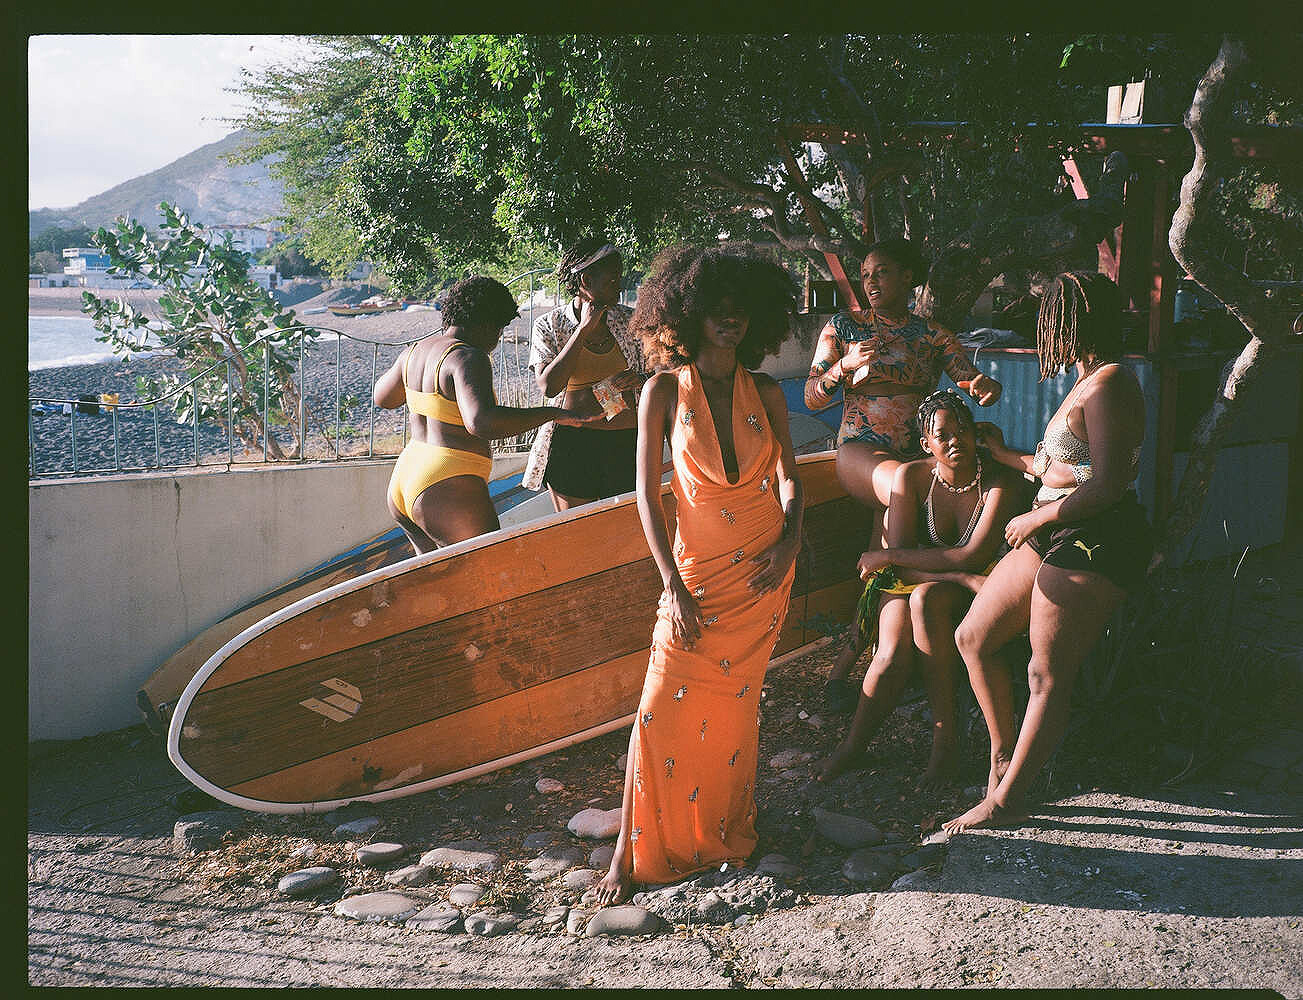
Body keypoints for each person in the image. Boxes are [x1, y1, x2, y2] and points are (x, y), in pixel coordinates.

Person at [588, 243, 803, 905]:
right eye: (718, 310)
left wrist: (791, 539)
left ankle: (718, 835)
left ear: (757, 319)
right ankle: (629, 856)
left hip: (763, 574)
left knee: (733, 717)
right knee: (658, 712)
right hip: (695, 577)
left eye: (742, 312)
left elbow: (789, 479)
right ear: (691, 314)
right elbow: (646, 497)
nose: (730, 322)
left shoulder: (764, 390)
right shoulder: (659, 391)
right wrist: (672, 588)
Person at [943, 271, 1150, 833]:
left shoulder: (1111, 384)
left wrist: (1034, 515)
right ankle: (1002, 756)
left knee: (1045, 671)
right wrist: (1006, 457)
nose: (1044, 333)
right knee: (973, 637)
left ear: (1074, 323)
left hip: (1097, 533)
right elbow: (1063, 467)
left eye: (1050, 320)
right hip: (1058, 524)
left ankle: (1007, 800)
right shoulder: (1086, 383)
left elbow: (1105, 484)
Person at [803, 238, 1004, 715]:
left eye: (883, 272)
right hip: (861, 451)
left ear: (909, 278)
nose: (871, 281)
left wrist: (984, 387)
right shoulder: (842, 327)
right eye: (866, 274)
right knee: (903, 487)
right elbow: (813, 396)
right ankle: (892, 655)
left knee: (886, 552)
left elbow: (968, 379)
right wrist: (844, 367)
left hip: (913, 462)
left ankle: (862, 664)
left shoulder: (931, 334)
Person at [817, 389, 1026, 788]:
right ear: (925, 443)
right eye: (942, 434)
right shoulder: (911, 477)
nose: (954, 441)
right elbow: (896, 563)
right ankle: (852, 746)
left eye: (963, 430)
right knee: (892, 650)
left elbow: (970, 556)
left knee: (929, 602)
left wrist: (957, 574)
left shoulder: (1000, 481)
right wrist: (957, 576)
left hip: (985, 581)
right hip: (925, 579)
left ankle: (944, 743)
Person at [374, 275, 601, 554]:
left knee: (440, 588)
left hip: (406, 476)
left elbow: (383, 398)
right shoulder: (468, 357)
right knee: (491, 574)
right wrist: (553, 413)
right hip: (446, 481)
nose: (496, 338)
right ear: (484, 324)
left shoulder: (414, 351)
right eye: (498, 329)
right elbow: (482, 422)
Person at [524, 235, 649, 511]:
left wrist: (640, 380)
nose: (619, 288)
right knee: (578, 532)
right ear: (585, 281)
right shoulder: (549, 325)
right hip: (573, 447)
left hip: (626, 443)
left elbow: (659, 375)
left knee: (625, 531)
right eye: (612, 280)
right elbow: (549, 387)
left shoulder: (629, 321)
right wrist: (582, 332)